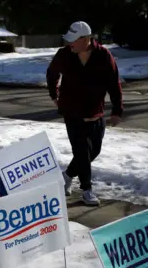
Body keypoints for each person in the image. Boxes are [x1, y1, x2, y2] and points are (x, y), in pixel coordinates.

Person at [46, 21, 123, 206]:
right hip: (72, 111)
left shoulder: (103, 56)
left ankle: (67, 175)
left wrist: (117, 110)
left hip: (95, 111)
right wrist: (54, 95)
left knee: (93, 151)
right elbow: (52, 73)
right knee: (81, 151)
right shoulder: (64, 55)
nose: (70, 44)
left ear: (86, 39)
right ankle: (87, 190)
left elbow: (114, 83)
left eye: (73, 40)